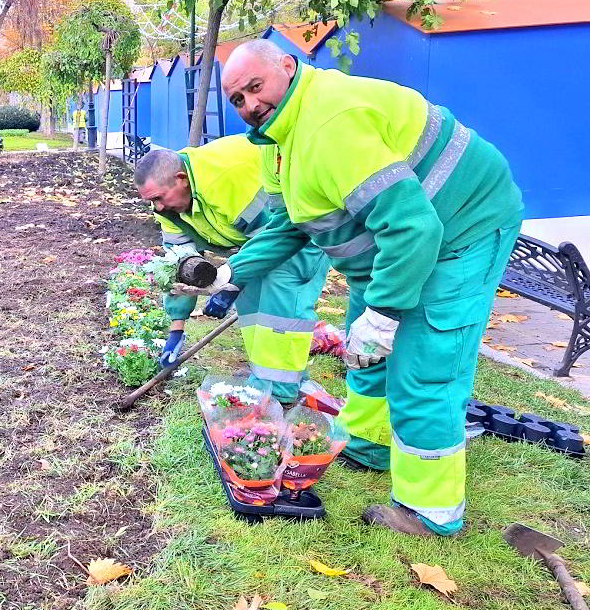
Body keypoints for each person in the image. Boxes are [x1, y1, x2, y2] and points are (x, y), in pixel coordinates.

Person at [204, 39, 522, 537]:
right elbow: (289, 224)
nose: (249, 105)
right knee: (363, 351)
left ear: (287, 67)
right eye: (237, 99)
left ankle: (429, 510)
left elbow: (414, 228)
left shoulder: (329, 124)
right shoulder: (278, 143)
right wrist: (232, 273)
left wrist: (385, 311)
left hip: (461, 228)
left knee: (423, 366)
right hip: (403, 242)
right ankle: (370, 445)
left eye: (255, 87)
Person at [135, 137, 330, 403]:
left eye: (159, 198)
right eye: (150, 201)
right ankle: (266, 380)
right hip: (255, 243)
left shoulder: (225, 179)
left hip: (297, 231)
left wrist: (233, 280)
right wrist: (177, 328)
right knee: (252, 310)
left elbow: (279, 239)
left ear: (181, 179)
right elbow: (179, 267)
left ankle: (281, 396)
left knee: (279, 309)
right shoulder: (166, 206)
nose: (157, 208)